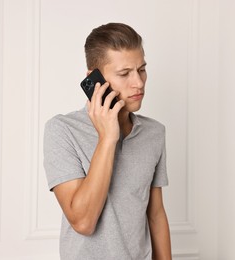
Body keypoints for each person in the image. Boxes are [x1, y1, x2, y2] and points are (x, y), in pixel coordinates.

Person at [43, 22, 172, 260]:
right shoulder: (62, 130)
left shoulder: (155, 133)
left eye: (142, 69)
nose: (139, 83)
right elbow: (83, 222)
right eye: (124, 74)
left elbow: (155, 214)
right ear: (95, 79)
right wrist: (108, 138)